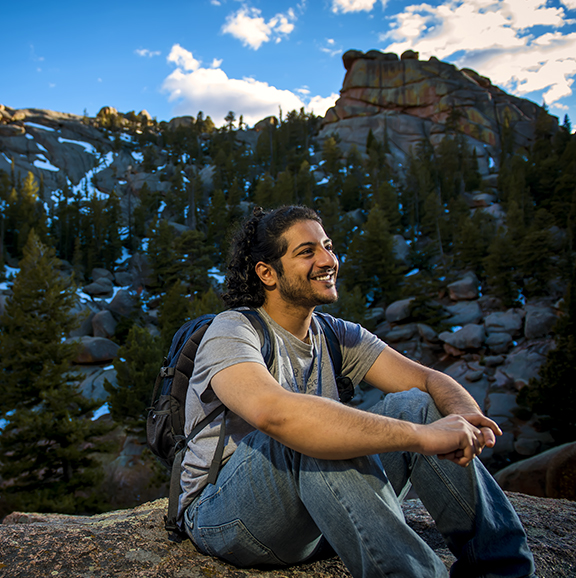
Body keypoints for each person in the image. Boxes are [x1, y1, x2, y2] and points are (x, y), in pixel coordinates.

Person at [178, 205, 536, 578]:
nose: (328, 259)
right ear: (267, 273)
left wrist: (465, 415)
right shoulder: (232, 331)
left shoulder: (337, 334)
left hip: (314, 515)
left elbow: (429, 380)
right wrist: (421, 437)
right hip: (225, 516)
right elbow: (275, 413)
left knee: (416, 404)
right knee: (311, 430)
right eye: (307, 252)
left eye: (328, 246)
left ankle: (503, 570)